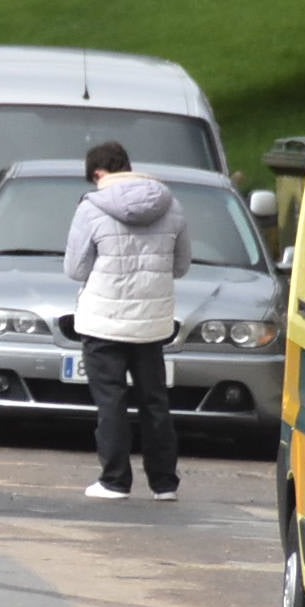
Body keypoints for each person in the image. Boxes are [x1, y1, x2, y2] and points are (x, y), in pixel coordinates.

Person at [63, 141, 189, 502]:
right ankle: (164, 483)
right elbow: (181, 265)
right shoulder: (171, 204)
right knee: (154, 401)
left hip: (102, 322)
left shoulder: (91, 207)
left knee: (111, 401)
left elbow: (75, 268)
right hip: (151, 324)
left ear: (99, 174)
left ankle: (115, 481)